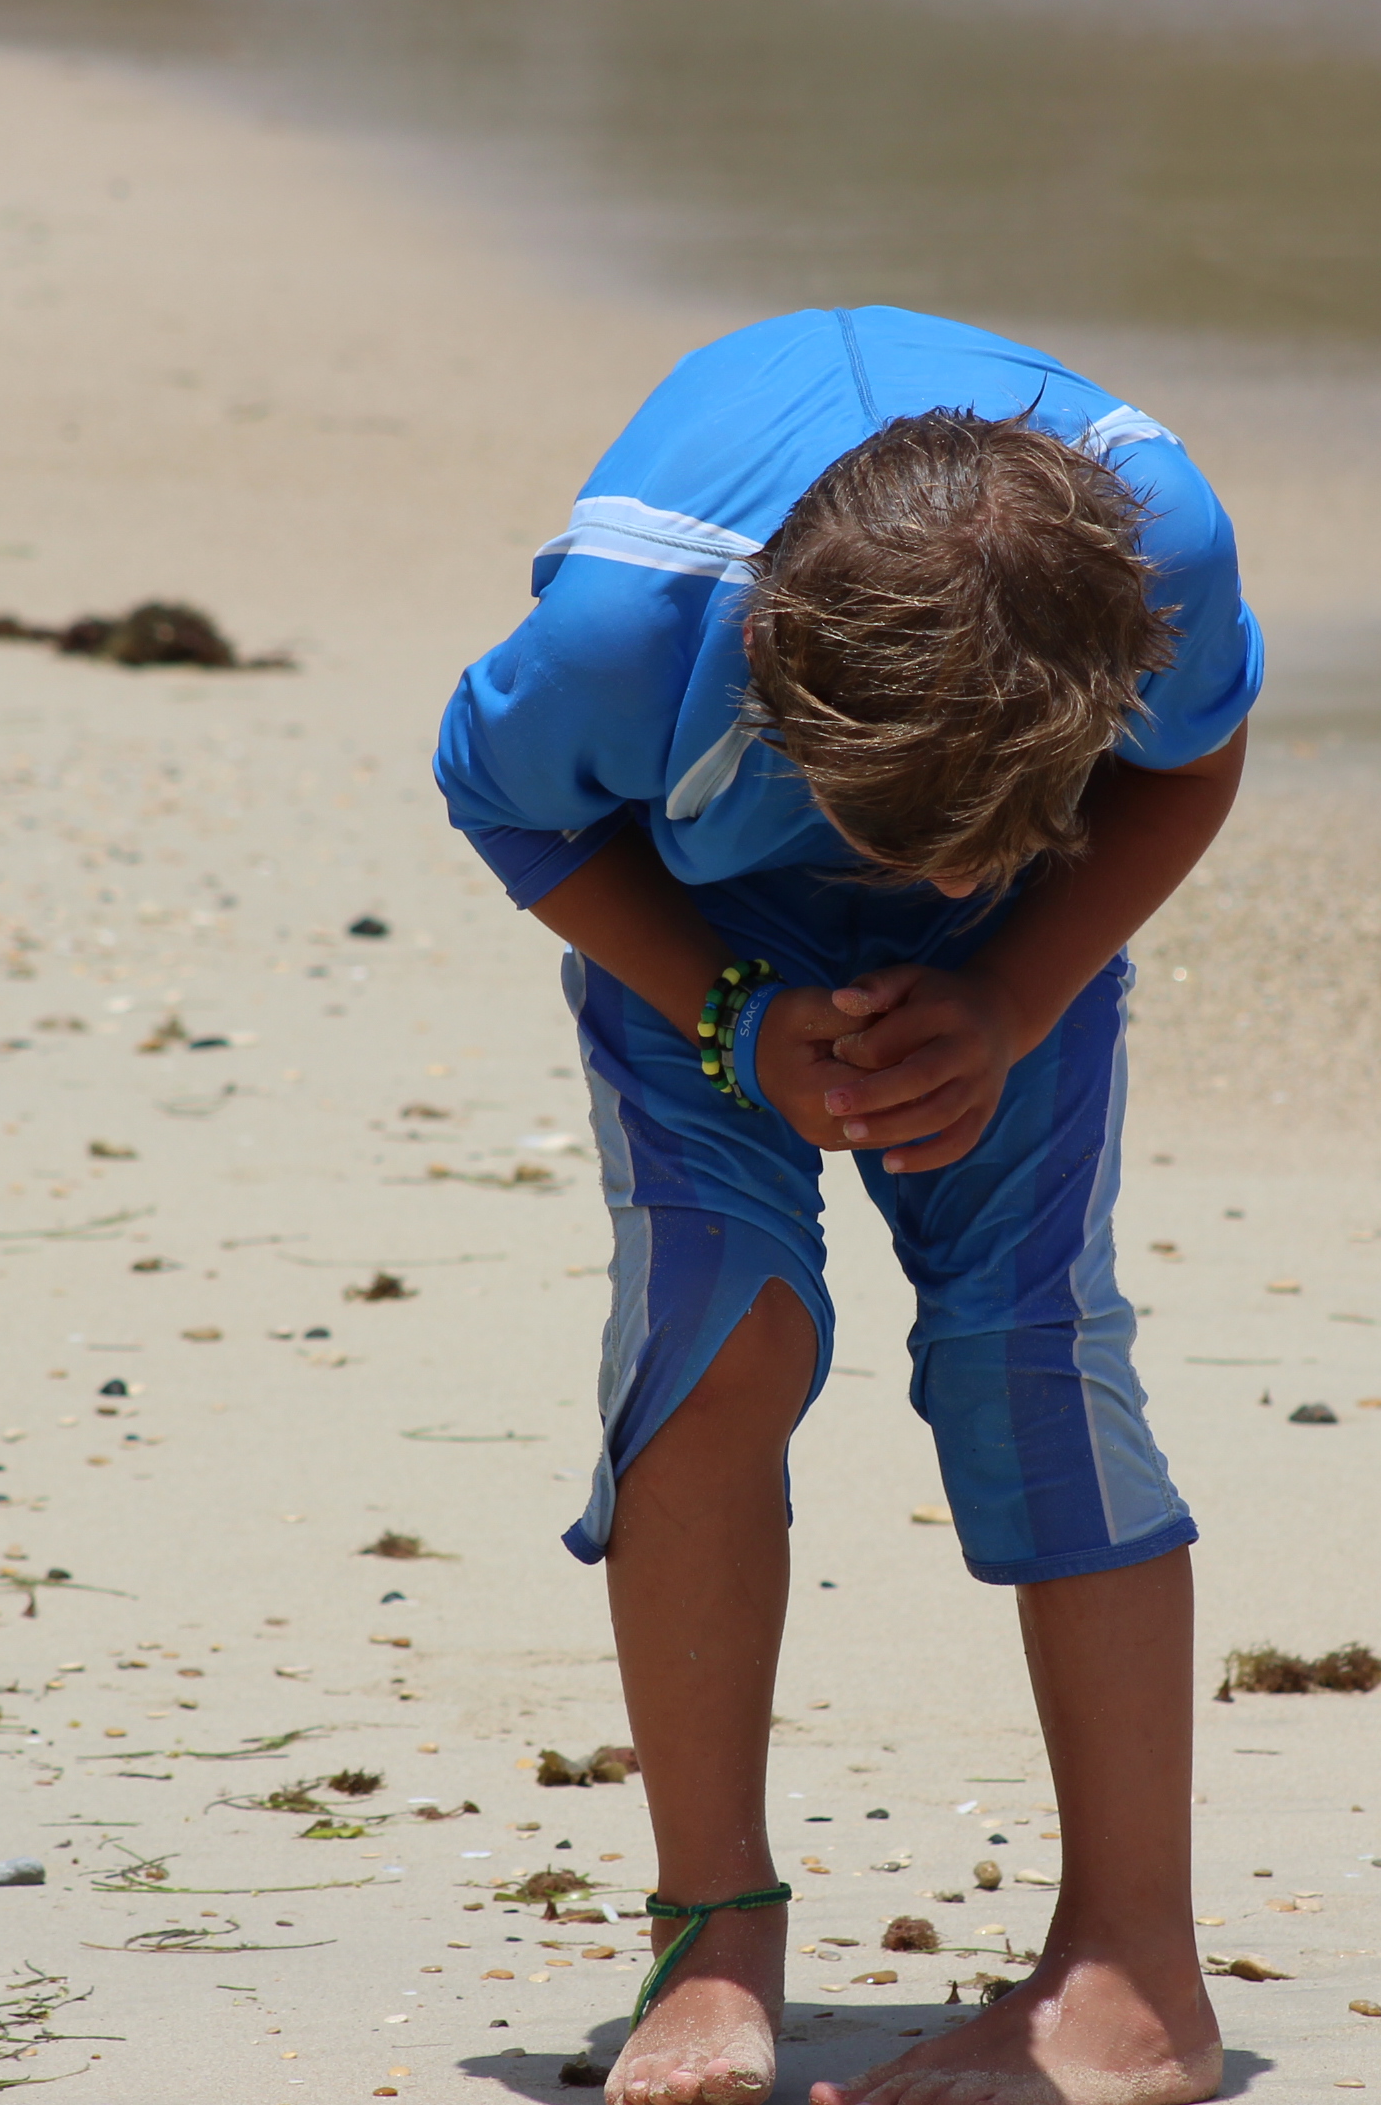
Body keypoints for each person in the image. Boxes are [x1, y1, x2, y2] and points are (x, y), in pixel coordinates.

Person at [433, 307, 1261, 2105]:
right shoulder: (624, 636)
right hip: (698, 919)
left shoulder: (1162, 550)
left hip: (1026, 953)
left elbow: (1191, 765)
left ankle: (1137, 1967)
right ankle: (713, 1940)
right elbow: (502, 804)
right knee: (717, 1335)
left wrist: (1012, 984)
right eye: (914, 846)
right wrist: (733, 1013)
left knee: (1033, 1361)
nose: (942, 884)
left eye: (986, 837)